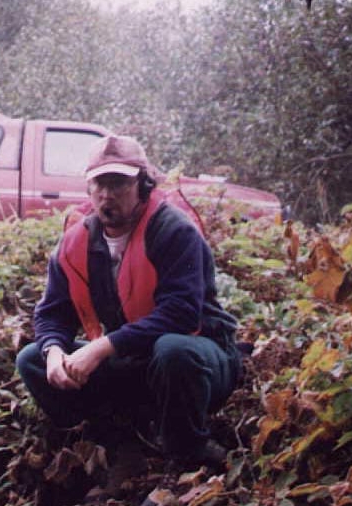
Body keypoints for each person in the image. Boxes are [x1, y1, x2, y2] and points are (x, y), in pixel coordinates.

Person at [16, 133, 242, 473]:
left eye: (119, 183)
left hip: (202, 360)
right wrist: (54, 352)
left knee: (174, 350)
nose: (107, 195)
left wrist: (100, 348)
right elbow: (52, 313)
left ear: (143, 185)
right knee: (32, 359)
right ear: (89, 188)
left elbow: (181, 314)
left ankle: (188, 454)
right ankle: (118, 440)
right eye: (99, 184)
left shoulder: (173, 230)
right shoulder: (75, 242)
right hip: (133, 361)